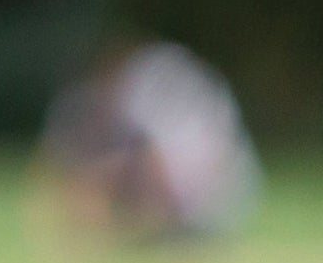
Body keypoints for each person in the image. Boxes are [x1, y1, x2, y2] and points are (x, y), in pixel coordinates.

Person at [35, 43, 262, 246]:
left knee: (119, 172)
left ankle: (149, 232)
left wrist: (97, 187)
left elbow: (155, 160)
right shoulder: (175, 77)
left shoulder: (148, 86)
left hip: (204, 201)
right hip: (232, 196)